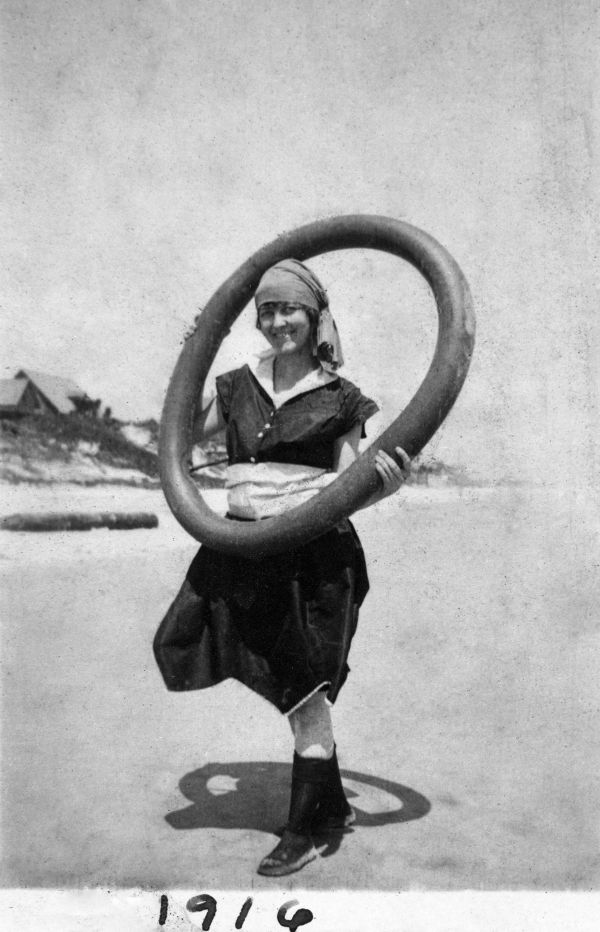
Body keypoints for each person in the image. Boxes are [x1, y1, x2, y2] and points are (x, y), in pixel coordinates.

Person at [154, 259, 410, 877]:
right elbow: (180, 438)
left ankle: (301, 829)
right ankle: (332, 805)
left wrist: (388, 486)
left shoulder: (341, 396)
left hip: (314, 557)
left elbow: (353, 481)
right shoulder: (236, 383)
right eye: (265, 310)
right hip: (240, 549)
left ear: (314, 314)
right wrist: (190, 355)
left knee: (305, 686)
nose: (276, 321)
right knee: (183, 640)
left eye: (288, 308)